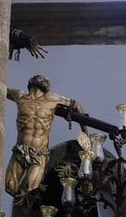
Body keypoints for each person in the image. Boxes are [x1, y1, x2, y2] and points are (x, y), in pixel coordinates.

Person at [5, 75, 81, 203]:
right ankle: (22, 204)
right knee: (10, 186)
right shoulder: (19, 96)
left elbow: (76, 106)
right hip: (20, 150)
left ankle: (26, 206)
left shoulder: (52, 99)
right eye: (39, 78)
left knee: (30, 188)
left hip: (39, 153)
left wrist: (85, 132)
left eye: (43, 79)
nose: (41, 79)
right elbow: (0, 88)